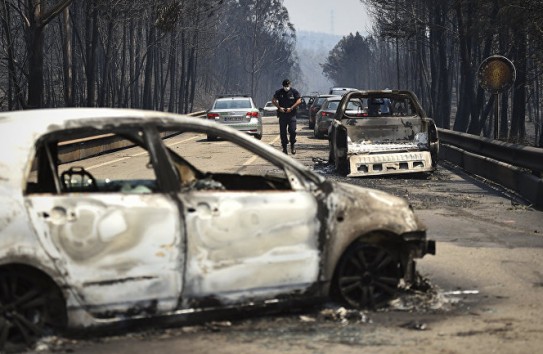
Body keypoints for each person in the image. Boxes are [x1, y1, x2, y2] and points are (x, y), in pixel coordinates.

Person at [272, 79, 301, 154]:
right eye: (285, 86)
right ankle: (284, 147)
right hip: (282, 114)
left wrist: (291, 108)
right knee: (283, 132)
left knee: (292, 130)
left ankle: (292, 145)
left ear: (290, 85)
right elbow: (273, 100)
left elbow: (299, 101)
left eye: (287, 86)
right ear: (283, 86)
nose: (286, 87)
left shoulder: (294, 92)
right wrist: (279, 108)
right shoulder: (279, 92)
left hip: (291, 114)